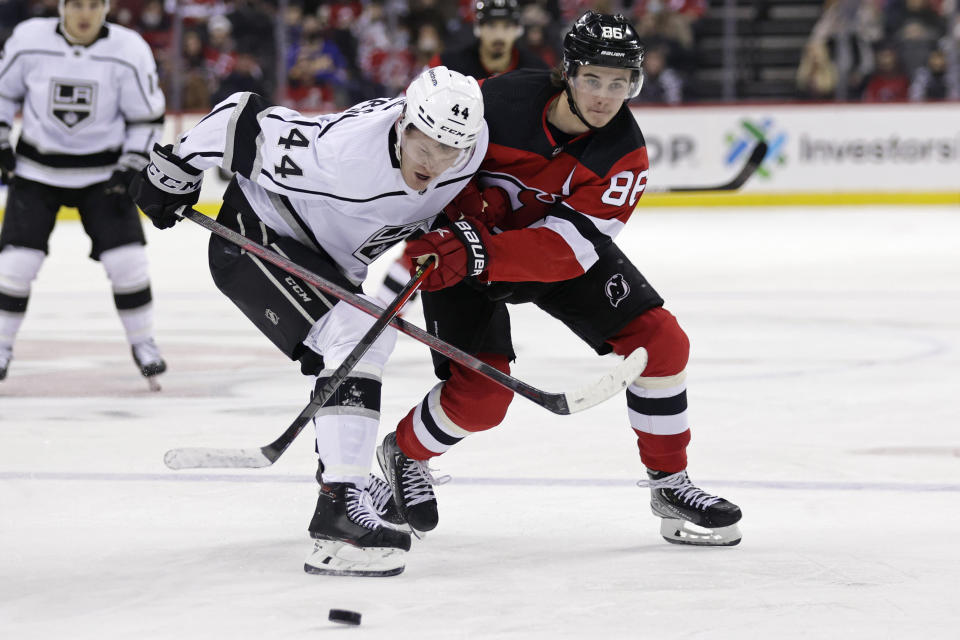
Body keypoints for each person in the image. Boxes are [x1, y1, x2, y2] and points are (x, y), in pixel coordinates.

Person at [375, 12, 744, 548]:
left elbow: (565, 252)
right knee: (481, 400)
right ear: (568, 73)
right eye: (593, 78)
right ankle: (405, 454)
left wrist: (482, 250)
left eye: (619, 83)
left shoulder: (624, 156)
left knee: (662, 343)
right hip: (457, 250)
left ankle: (669, 482)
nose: (604, 96)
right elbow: (433, 154)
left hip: (529, 258)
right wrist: (442, 227)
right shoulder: (497, 102)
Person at [127, 66, 488, 575]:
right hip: (259, 235)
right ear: (404, 122)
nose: (434, 163)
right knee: (357, 336)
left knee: (360, 342)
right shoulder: (342, 159)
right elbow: (238, 119)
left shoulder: (470, 144)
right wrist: (172, 170)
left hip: (329, 264)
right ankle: (338, 513)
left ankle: (344, 483)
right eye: (424, 144)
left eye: (449, 150)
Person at [0, 0, 167, 385]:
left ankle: (144, 345)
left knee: (128, 263)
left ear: (106, 7)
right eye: (76, 3)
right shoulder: (28, 40)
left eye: (94, 4)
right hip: (36, 170)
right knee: (15, 266)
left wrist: (132, 165)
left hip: (103, 174)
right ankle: (2, 349)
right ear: (61, 6)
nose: (85, 13)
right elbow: (4, 94)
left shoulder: (129, 49)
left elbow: (146, 118)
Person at [373, 0, 549, 307]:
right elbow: (414, 102)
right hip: (446, 165)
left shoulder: (534, 70)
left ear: (517, 29)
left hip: (499, 174)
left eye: (506, 26)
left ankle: (394, 307)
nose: (499, 34)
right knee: (421, 237)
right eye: (492, 25)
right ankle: (387, 308)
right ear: (479, 27)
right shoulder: (450, 61)